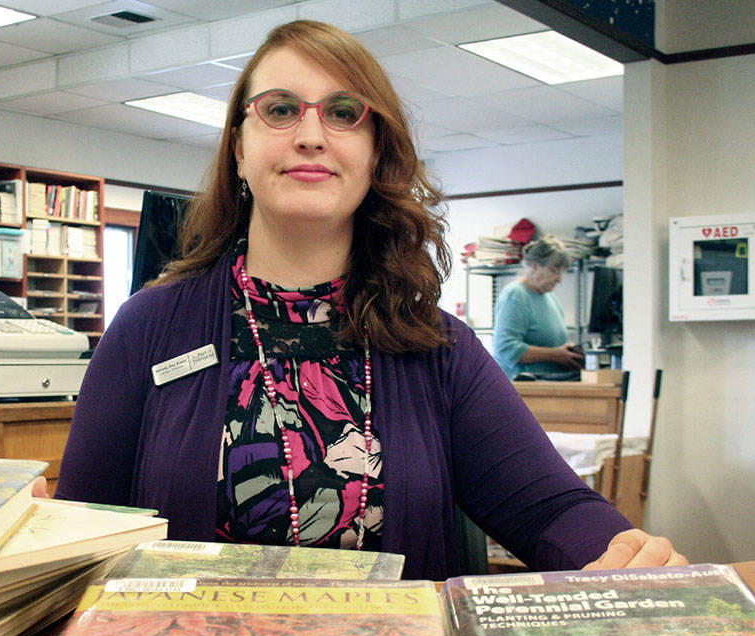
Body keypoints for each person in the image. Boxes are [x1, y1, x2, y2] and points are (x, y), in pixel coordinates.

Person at [53, 19, 685, 579]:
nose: (310, 135)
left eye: (344, 111)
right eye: (279, 110)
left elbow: (548, 506)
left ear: (375, 151)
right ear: (239, 149)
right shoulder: (148, 328)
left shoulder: (435, 345)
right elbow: (80, 538)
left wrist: (624, 553)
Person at [491, 234, 586, 380]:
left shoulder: (550, 298)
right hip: (523, 389)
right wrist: (555, 355)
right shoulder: (515, 295)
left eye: (562, 272)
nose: (559, 279)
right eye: (554, 270)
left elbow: (559, 343)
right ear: (534, 266)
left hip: (550, 386)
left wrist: (570, 352)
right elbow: (505, 348)